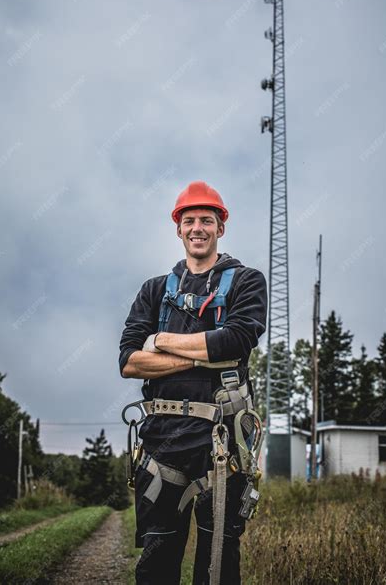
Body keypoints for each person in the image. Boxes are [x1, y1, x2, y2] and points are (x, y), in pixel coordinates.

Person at [119, 180, 267, 585]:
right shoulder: (154, 291)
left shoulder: (247, 282)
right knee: (155, 563)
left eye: (207, 219)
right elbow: (130, 361)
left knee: (218, 566)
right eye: (190, 220)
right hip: (161, 442)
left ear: (221, 227)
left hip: (222, 443)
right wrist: (205, 354)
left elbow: (236, 341)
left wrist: (162, 342)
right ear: (178, 229)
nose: (197, 227)